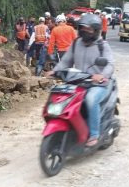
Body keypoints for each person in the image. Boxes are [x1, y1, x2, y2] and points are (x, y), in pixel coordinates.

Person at [47, 14, 115, 147]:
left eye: (88, 29)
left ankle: (94, 134)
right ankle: (70, 128)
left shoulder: (102, 45)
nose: (85, 31)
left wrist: (102, 75)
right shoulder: (76, 43)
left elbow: (110, 64)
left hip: (98, 84)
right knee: (62, 97)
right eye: (82, 28)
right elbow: (66, 61)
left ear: (95, 30)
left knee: (90, 99)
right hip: (79, 81)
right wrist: (55, 71)